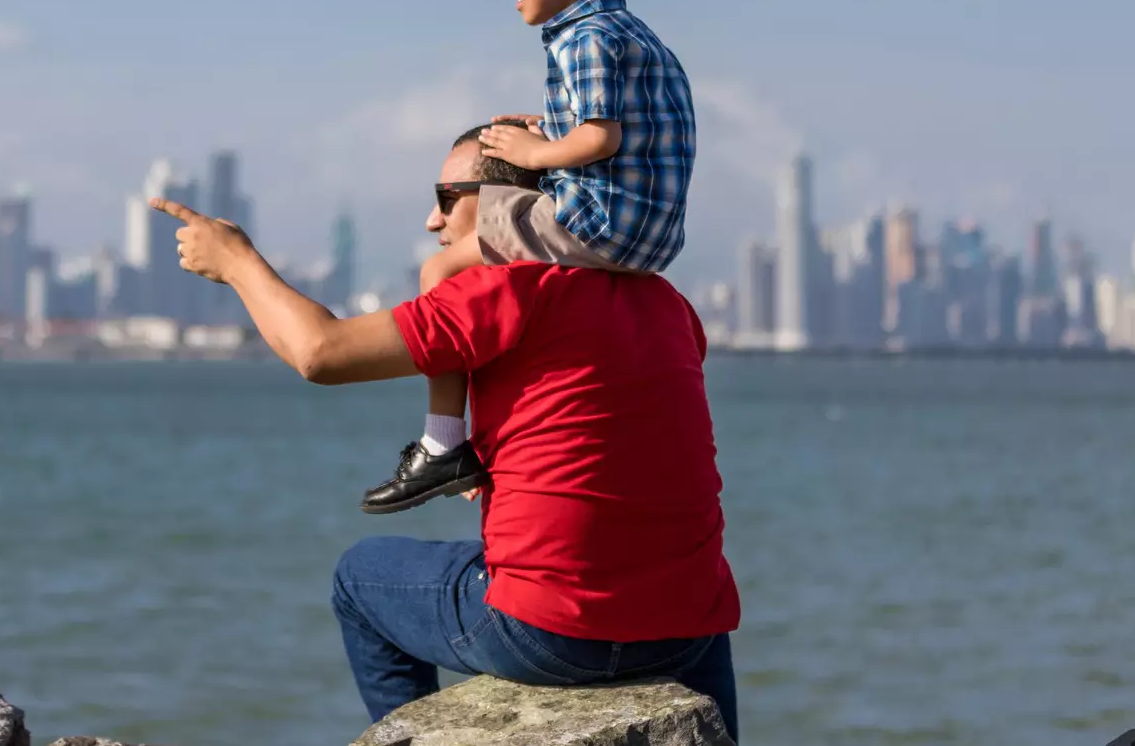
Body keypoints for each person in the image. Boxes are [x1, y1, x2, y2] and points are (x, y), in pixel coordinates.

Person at [149, 125, 740, 742]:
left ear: (506, 204)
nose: (433, 221)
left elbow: (320, 352)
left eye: (447, 196)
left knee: (360, 576)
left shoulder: (505, 287)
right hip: (688, 636)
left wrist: (238, 263)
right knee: (686, 588)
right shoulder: (665, 302)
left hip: (551, 634)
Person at [369, 0, 698, 515]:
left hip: (598, 223)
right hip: (651, 237)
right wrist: (548, 135)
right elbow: (629, 138)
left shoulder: (583, 39)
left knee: (441, 265)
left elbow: (603, 137)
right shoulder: (642, 38)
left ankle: (443, 445)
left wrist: (532, 155)